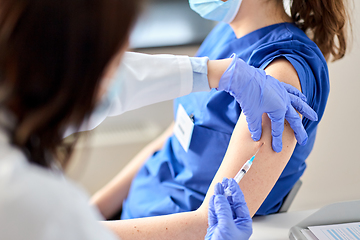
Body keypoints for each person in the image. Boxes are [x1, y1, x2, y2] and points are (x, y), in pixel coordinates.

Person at [0, 0, 315, 239]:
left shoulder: (282, 67)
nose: (115, 76)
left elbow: (205, 220)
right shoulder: (38, 204)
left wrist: (91, 210)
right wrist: (86, 215)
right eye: (113, 61)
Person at [92, 0, 349, 237]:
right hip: (128, 217)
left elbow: (205, 223)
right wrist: (93, 209)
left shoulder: (281, 73)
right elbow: (172, 139)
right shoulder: (225, 33)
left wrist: (80, 228)